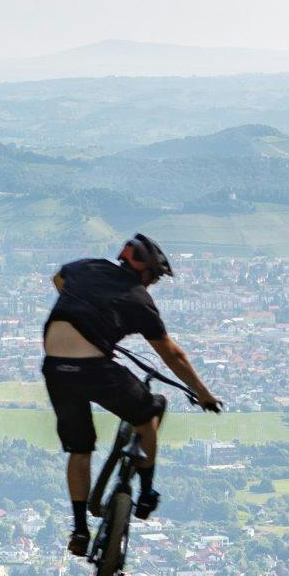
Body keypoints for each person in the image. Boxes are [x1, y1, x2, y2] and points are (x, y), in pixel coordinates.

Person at [41, 232, 222, 557]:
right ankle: (147, 492)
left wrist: (86, 314)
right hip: (95, 369)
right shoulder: (138, 299)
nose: (152, 285)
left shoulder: (87, 267)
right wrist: (204, 394)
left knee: (79, 450)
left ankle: (80, 530)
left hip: (55, 368)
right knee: (149, 413)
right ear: (144, 273)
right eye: (153, 278)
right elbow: (173, 355)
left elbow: (58, 278)